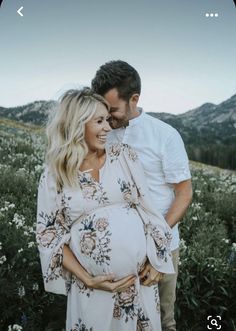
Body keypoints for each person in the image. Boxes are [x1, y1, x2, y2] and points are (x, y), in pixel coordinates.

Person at [36, 88, 174, 331]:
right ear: (76, 124)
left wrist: (156, 260)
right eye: (99, 121)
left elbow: (148, 211)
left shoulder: (123, 156)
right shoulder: (54, 175)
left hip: (138, 286)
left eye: (108, 120)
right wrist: (88, 279)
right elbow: (50, 235)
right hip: (93, 291)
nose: (108, 128)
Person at [91, 61, 193, 331]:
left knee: (161, 319)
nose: (107, 117)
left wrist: (156, 246)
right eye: (102, 109)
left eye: (112, 109)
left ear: (134, 99)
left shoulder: (165, 136)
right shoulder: (100, 133)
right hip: (113, 249)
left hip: (161, 246)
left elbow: (184, 193)